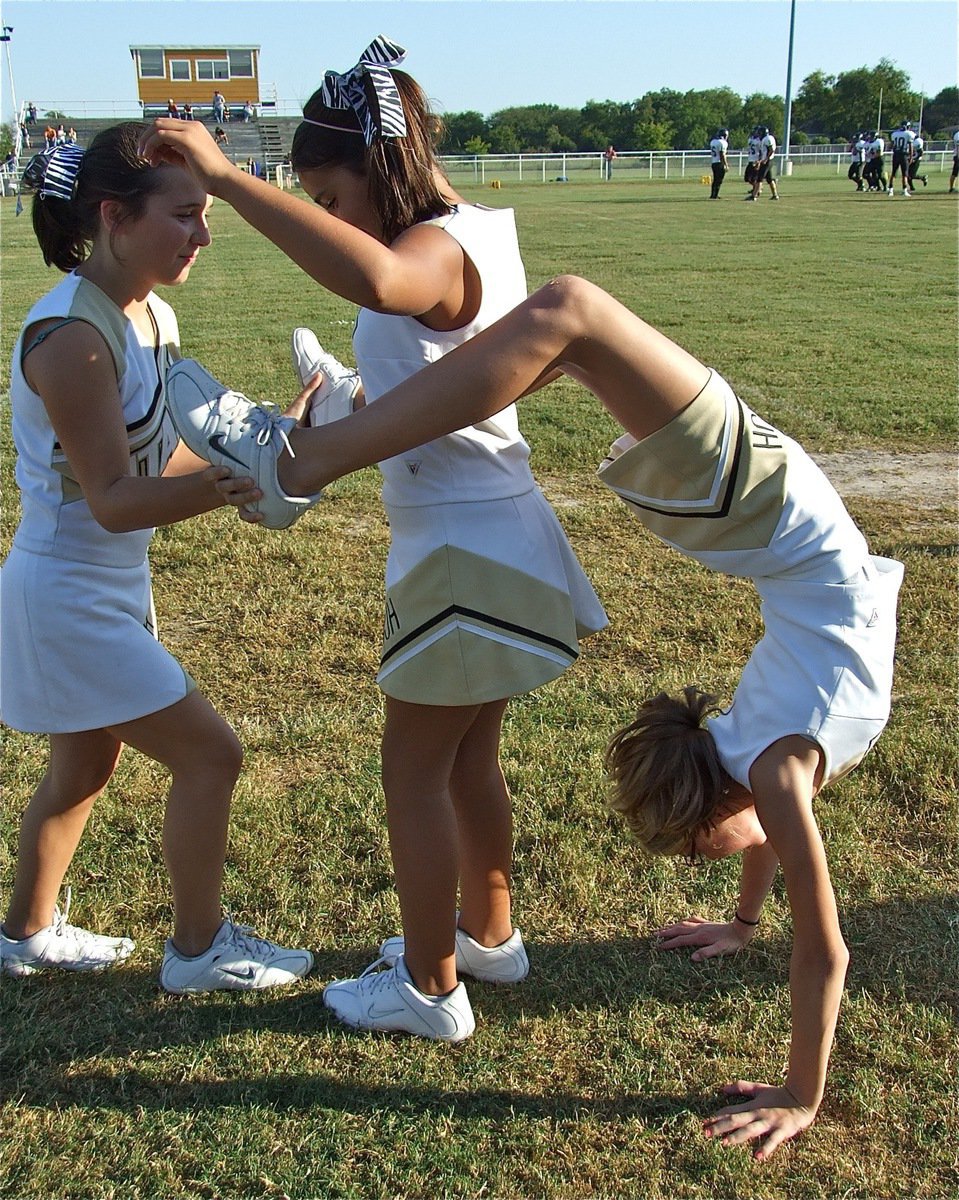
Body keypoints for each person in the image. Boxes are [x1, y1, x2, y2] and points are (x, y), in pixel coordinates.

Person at [163, 272, 903, 1160]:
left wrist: (799, 1094)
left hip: (761, 510)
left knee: (571, 324)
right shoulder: (766, 770)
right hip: (758, 516)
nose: (707, 859)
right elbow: (776, 844)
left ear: (719, 795)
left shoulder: (770, 771)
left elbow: (824, 951)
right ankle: (342, 420)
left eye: (698, 848)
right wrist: (742, 926)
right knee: (562, 345)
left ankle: (319, 438)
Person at [139, 37, 606, 1042]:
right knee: (469, 761)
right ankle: (486, 938)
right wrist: (343, 399)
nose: (335, 219)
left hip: (459, 551)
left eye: (333, 198)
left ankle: (429, 989)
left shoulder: (433, 246)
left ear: (378, 165)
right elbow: (427, 364)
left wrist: (229, 179)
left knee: (413, 774)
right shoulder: (477, 231)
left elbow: (388, 281)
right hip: (495, 530)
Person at [0, 126, 313, 994]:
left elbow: (156, 457)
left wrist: (266, 440)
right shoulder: (70, 337)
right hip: (64, 590)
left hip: (108, 581)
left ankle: (24, 935)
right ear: (114, 217)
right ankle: (197, 950)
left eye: (204, 215)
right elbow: (110, 497)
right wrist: (234, 483)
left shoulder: (150, 314)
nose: (202, 235)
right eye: (183, 216)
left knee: (83, 765)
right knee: (211, 754)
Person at [748, 126, 779, 201]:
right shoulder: (767, 138)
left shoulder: (767, 139)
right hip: (767, 160)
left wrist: (765, 159)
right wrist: (760, 161)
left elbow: (771, 150)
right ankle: (775, 195)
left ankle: (754, 196)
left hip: (767, 161)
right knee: (769, 179)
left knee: (759, 179)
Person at [888, 122, 914, 197]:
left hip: (896, 154)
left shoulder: (895, 134)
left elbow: (891, 145)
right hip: (904, 155)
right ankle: (904, 190)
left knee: (893, 173)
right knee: (904, 174)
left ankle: (890, 190)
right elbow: (911, 146)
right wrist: (911, 157)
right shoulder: (909, 134)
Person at [708, 128, 728, 198]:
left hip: (714, 162)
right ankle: (715, 195)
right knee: (719, 180)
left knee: (715, 180)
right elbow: (722, 154)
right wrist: (725, 164)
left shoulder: (713, 141)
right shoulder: (722, 142)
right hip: (719, 163)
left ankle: (713, 194)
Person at [744, 126, 763, 195]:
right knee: (747, 178)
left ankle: (757, 189)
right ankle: (756, 188)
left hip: (755, 160)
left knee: (753, 178)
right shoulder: (751, 139)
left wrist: (759, 161)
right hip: (750, 159)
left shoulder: (760, 140)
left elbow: (761, 152)